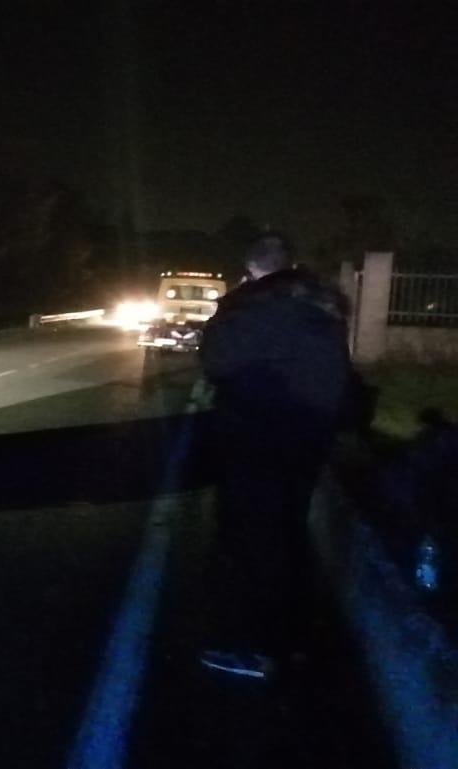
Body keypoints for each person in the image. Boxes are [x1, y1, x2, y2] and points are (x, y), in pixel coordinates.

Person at [196, 234, 353, 679]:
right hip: (309, 439)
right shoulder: (322, 307)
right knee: (288, 533)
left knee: (256, 542)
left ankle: (260, 650)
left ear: (252, 269)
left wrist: (225, 311)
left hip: (259, 438)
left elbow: (216, 362)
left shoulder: (254, 307)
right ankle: (295, 639)